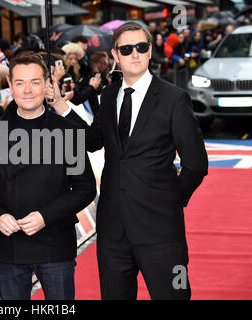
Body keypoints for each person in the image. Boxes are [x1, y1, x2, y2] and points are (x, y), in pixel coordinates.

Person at [54, 22, 208, 300]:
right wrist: (60, 106)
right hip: (113, 229)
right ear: (116, 55)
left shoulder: (175, 99)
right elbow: (92, 141)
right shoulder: (110, 93)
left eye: (141, 47)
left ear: (150, 52)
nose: (135, 53)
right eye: (127, 48)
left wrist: (170, 201)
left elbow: (196, 164)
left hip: (161, 230)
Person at [0, 52, 96, 300]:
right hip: (10, 247)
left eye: (35, 82)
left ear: (47, 85)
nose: (27, 90)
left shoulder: (67, 131)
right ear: (10, 86)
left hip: (55, 244)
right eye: (20, 83)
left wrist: (44, 216)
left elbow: (85, 189)